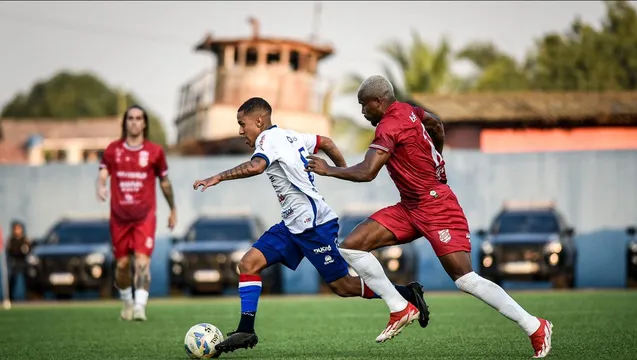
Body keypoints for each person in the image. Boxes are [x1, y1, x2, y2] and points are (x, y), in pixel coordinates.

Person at [305, 75, 553, 357]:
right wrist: (435, 155)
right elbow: (435, 122)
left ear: (378, 101)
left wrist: (329, 170)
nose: (362, 113)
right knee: (352, 245)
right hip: (410, 206)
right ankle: (400, 307)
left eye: (364, 106)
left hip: (437, 207)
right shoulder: (409, 110)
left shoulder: (389, 125)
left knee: (465, 279)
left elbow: (367, 172)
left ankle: (535, 326)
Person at [192, 97, 429, 357]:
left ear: (259, 121)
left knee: (343, 287)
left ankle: (406, 293)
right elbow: (325, 142)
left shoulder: (266, 140)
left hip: (315, 226)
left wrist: (218, 177)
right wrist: (344, 169)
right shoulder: (291, 136)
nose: (240, 131)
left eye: (242, 124)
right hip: (292, 225)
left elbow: (256, 166)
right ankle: (246, 329)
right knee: (248, 264)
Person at [96, 105, 177, 321]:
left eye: (138, 118)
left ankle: (140, 306)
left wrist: (173, 209)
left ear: (144, 123)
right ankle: (127, 300)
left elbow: (165, 183)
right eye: (130, 118)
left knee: (142, 263)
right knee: (122, 266)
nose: (134, 122)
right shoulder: (113, 150)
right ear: (125, 122)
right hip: (119, 217)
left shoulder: (154, 152)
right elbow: (103, 172)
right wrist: (101, 185)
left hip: (145, 217)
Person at [6, 221, 31, 301]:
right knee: (12, 280)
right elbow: (11, 251)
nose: (17, 231)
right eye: (15, 229)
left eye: (19, 229)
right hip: (14, 264)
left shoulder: (25, 240)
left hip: (23, 264)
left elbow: (26, 251)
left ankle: (26, 297)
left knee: (26, 280)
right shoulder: (11, 240)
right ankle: (10, 297)